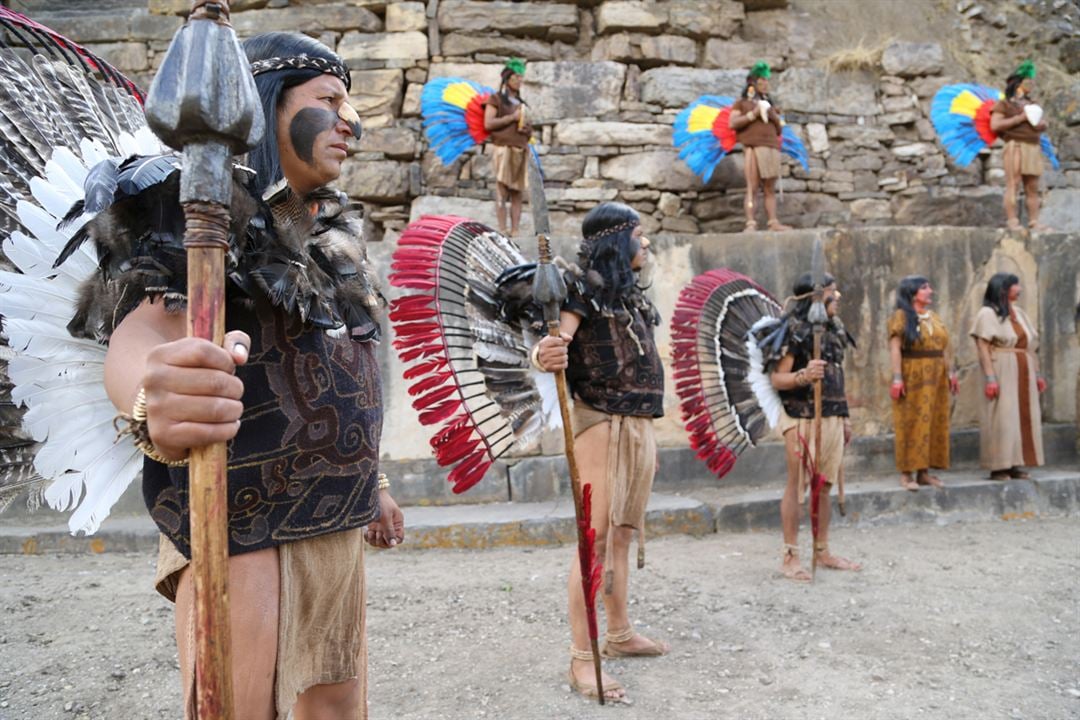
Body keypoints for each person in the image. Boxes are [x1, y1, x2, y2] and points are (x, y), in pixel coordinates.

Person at [99, 33, 404, 719]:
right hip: (240, 513)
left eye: (350, 101)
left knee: (335, 703)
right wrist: (154, 387)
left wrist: (375, 481)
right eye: (329, 99)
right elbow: (144, 328)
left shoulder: (330, 229)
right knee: (240, 708)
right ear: (269, 109)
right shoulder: (205, 208)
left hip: (336, 509)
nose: (351, 120)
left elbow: (351, 361)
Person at [535, 202, 668, 703]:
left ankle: (617, 634)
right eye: (641, 234)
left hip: (637, 424)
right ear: (617, 239)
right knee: (594, 536)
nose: (647, 243)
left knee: (623, 535)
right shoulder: (580, 289)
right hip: (601, 424)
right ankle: (582, 658)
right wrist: (542, 353)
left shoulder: (630, 295)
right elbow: (556, 344)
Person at [754, 272, 861, 582]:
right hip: (800, 416)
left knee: (824, 484)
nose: (838, 296)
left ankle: (822, 550)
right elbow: (778, 379)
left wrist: (844, 417)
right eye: (831, 291)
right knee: (797, 485)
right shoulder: (794, 331)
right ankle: (790, 555)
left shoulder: (835, 330)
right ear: (814, 298)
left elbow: (837, 376)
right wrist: (803, 375)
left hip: (831, 416)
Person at [970, 272, 1047, 479]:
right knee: (1002, 417)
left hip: (1024, 367)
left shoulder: (1020, 313)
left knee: (1021, 416)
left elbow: (1030, 346)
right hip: (1002, 367)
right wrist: (990, 377)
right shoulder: (987, 313)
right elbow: (983, 346)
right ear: (1004, 289)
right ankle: (999, 466)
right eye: (1016, 285)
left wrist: (1038, 374)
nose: (1020, 289)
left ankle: (1016, 463)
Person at [887, 276, 959, 491]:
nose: (930, 291)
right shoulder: (900, 317)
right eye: (924, 287)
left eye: (929, 286)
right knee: (910, 420)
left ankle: (924, 473)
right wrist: (897, 377)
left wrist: (951, 373)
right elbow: (895, 348)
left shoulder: (934, 317)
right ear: (912, 292)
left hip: (936, 376)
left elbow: (944, 347)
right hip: (913, 374)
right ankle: (907, 473)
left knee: (934, 421)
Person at [990, 60, 1054, 232]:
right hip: (1015, 145)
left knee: (1032, 187)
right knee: (1014, 183)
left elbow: (1036, 122)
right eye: (1028, 81)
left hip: (1032, 146)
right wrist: (1020, 118)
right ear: (1018, 83)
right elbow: (995, 125)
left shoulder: (1032, 104)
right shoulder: (1005, 104)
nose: (1031, 84)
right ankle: (1012, 221)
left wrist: (1042, 124)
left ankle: (1034, 222)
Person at [729, 61, 792, 232]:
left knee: (770, 187)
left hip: (771, 147)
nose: (765, 84)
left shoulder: (770, 106)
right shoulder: (741, 103)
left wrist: (774, 117)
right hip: (753, 147)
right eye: (761, 80)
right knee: (753, 187)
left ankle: (773, 222)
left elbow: (779, 130)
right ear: (753, 83)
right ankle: (750, 223)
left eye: (767, 80)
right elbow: (733, 123)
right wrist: (753, 114)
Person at [483, 57, 533, 237]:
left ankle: (515, 230)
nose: (519, 80)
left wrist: (527, 129)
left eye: (521, 77)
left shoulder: (522, 104)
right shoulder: (496, 99)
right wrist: (512, 118)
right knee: (502, 189)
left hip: (520, 150)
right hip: (503, 149)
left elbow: (528, 131)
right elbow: (488, 123)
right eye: (516, 77)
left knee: (517, 192)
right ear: (507, 79)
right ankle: (503, 229)